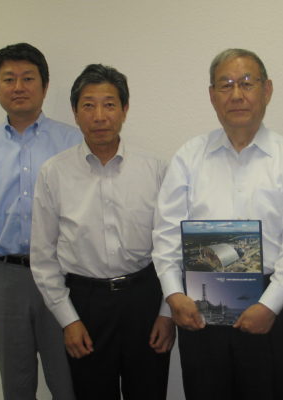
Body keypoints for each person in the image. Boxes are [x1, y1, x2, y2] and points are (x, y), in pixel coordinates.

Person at [152, 48, 283, 400]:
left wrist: (270, 304)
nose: (237, 94)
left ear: (267, 90)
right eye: (225, 85)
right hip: (199, 306)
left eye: (247, 83)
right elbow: (166, 234)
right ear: (212, 95)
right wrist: (173, 294)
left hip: (271, 307)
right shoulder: (188, 157)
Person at [30, 64, 175, 400]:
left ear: (124, 110)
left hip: (145, 295)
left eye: (109, 104)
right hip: (85, 303)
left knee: (150, 391)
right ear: (75, 112)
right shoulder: (54, 173)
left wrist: (167, 313)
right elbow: (42, 256)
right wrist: (68, 320)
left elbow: (172, 246)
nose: (99, 116)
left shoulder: (154, 169)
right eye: (88, 105)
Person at [0, 42, 81, 400]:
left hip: (62, 274)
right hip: (3, 278)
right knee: (15, 383)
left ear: (44, 86)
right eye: (8, 79)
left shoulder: (73, 141)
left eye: (28, 78)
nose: (18, 87)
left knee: (68, 378)